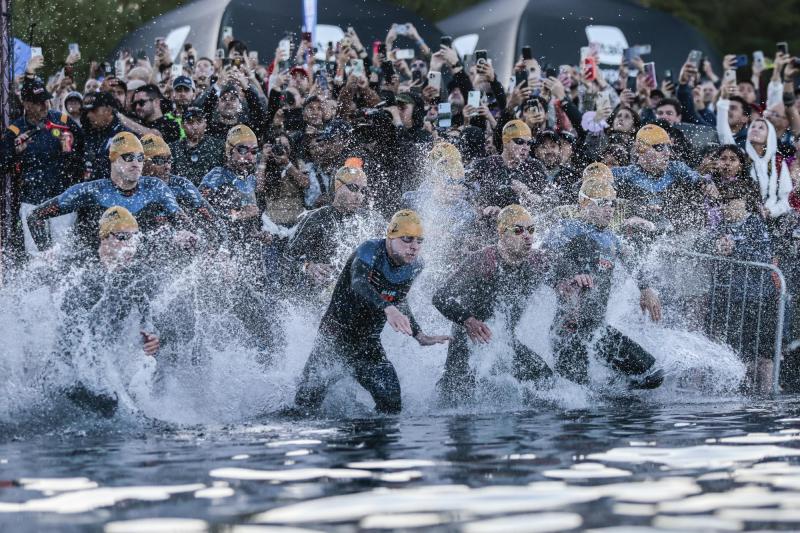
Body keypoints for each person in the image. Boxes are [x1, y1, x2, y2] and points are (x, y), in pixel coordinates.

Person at [294, 210, 450, 414]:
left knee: (392, 406)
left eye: (419, 241)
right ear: (390, 237)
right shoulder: (369, 251)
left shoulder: (415, 266)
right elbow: (358, 282)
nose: (414, 246)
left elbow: (399, 300)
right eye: (407, 239)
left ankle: (369, 444)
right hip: (334, 339)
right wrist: (387, 307)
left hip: (368, 345)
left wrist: (418, 334)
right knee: (303, 409)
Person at [542, 176, 664, 389]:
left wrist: (646, 289)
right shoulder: (568, 228)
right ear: (585, 204)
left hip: (596, 329)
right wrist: (571, 274)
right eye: (603, 203)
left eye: (612, 203)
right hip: (568, 327)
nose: (610, 209)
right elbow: (546, 257)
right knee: (574, 396)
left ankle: (615, 398)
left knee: (652, 375)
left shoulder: (612, 238)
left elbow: (633, 261)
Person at [433, 205, 554, 406]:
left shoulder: (536, 260)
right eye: (518, 230)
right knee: (455, 402)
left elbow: (561, 268)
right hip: (469, 342)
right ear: (502, 235)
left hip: (503, 342)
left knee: (546, 381)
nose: (527, 236)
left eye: (531, 230)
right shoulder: (482, 261)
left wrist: (572, 278)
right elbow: (440, 297)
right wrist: (468, 320)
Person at [55, 207, 160, 417]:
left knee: (150, 365)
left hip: (111, 355)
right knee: (105, 396)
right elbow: (68, 329)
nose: (130, 245)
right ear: (104, 237)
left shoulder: (139, 275)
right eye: (122, 237)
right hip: (74, 360)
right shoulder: (81, 270)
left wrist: (152, 338)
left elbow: (149, 319)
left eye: (134, 238)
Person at [27, 132, 186, 254]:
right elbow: (35, 216)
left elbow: (180, 218)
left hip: (141, 269)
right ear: (114, 159)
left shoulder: (155, 187)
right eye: (128, 157)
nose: (136, 163)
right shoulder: (91, 191)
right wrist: (47, 252)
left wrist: (185, 233)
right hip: (98, 268)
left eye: (140, 158)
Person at [1, 77, 84, 257]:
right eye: (38, 102)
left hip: (61, 198)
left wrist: (68, 151)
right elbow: (3, 165)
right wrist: (16, 152)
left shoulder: (63, 121)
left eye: (45, 100)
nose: (44, 105)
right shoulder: (15, 130)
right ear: (26, 104)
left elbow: (83, 157)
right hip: (31, 199)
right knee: (36, 256)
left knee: (65, 253)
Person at [285, 165, 371, 297]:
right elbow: (287, 259)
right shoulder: (315, 218)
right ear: (337, 187)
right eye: (353, 188)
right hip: (321, 295)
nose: (359, 196)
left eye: (363, 191)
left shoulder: (367, 219)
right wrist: (307, 267)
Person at [611, 124, 706, 232]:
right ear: (640, 150)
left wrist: (706, 185)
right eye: (659, 148)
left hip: (669, 235)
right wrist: (633, 208)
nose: (667, 153)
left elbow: (702, 181)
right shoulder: (625, 174)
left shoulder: (676, 169)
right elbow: (594, 185)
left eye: (668, 147)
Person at [466, 120, 547, 215]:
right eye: (520, 142)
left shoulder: (535, 167)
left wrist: (526, 193)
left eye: (529, 143)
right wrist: (482, 208)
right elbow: (465, 193)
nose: (525, 147)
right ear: (506, 142)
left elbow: (545, 202)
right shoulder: (485, 165)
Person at [169, 106, 225, 185]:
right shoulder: (172, 148)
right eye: (190, 122)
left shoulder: (219, 146)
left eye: (199, 122)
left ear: (205, 123)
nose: (195, 127)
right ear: (182, 125)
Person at [82, 91, 127, 181]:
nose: (89, 115)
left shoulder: (123, 134)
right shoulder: (92, 132)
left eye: (94, 110)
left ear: (109, 110)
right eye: (88, 111)